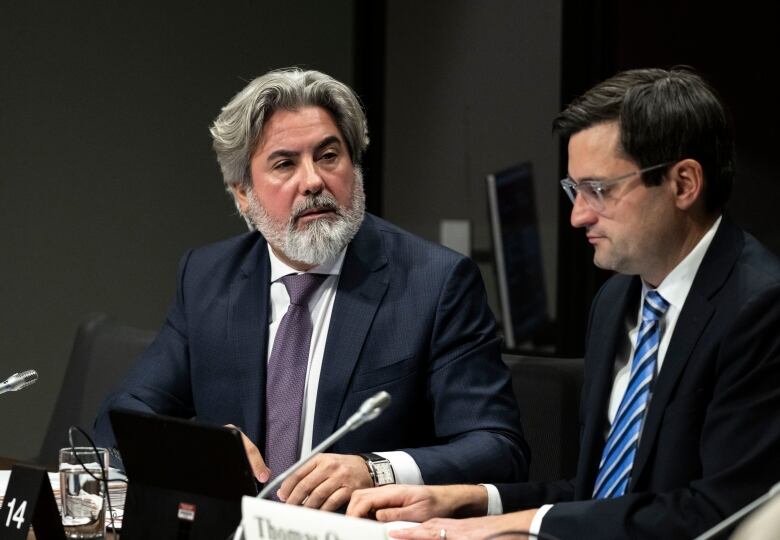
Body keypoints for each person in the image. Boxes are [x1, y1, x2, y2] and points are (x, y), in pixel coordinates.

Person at [347, 67, 780, 539]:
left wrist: (509, 527)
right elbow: (600, 496)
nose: (578, 216)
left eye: (599, 190)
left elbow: (714, 512)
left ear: (683, 184)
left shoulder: (759, 309)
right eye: (574, 190)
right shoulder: (616, 300)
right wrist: (468, 500)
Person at [93, 67, 528, 511]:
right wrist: (199, 448)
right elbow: (122, 416)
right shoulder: (209, 277)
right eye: (285, 163)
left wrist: (375, 469)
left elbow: (498, 448)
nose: (314, 181)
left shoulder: (434, 283)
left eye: (329, 156)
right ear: (242, 193)